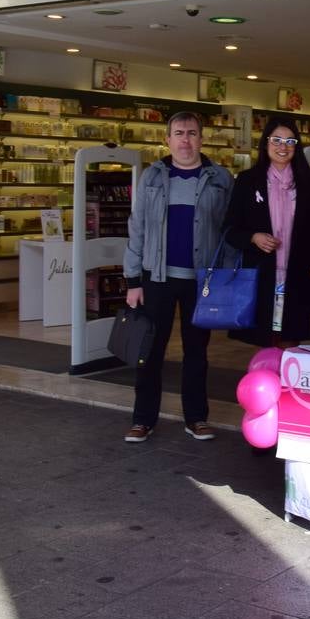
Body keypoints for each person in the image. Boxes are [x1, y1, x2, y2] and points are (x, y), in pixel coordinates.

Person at [122, 112, 234, 443]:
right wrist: (132, 281)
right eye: (179, 133)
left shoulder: (221, 179)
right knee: (150, 350)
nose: (185, 140)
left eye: (192, 133)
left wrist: (224, 279)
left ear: (202, 138)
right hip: (156, 279)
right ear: (167, 139)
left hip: (202, 282)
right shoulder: (152, 178)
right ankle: (143, 419)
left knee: (197, 352)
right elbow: (137, 228)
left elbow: (230, 233)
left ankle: (196, 418)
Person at [224, 117, 310, 347]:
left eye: (290, 140)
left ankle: (287, 383)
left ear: (297, 146)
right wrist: (253, 237)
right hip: (261, 276)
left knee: (291, 340)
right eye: (277, 140)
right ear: (265, 143)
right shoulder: (248, 181)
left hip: (298, 276)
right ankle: (266, 381)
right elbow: (229, 230)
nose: (283, 146)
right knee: (265, 343)